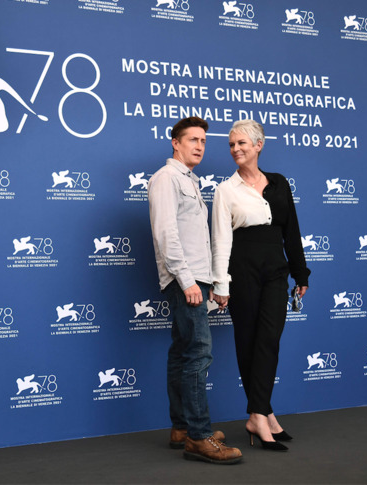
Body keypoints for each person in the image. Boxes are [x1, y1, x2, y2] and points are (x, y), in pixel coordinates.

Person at [148, 117, 243, 465]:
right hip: (184, 279)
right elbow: (166, 233)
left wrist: (213, 281)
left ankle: (182, 429)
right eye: (192, 139)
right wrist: (188, 280)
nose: (200, 145)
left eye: (203, 140)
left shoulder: (191, 180)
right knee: (198, 353)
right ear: (175, 142)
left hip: (196, 277)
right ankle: (200, 437)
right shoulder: (166, 178)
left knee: (183, 352)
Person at [211, 119, 310, 452]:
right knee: (248, 342)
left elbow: (291, 231)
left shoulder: (279, 183)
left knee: (269, 339)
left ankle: (260, 412)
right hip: (242, 270)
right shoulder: (226, 190)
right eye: (231, 144)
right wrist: (221, 284)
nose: (236, 149)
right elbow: (221, 241)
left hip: (275, 270)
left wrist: (301, 273)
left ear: (258, 145)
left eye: (242, 143)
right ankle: (261, 414)